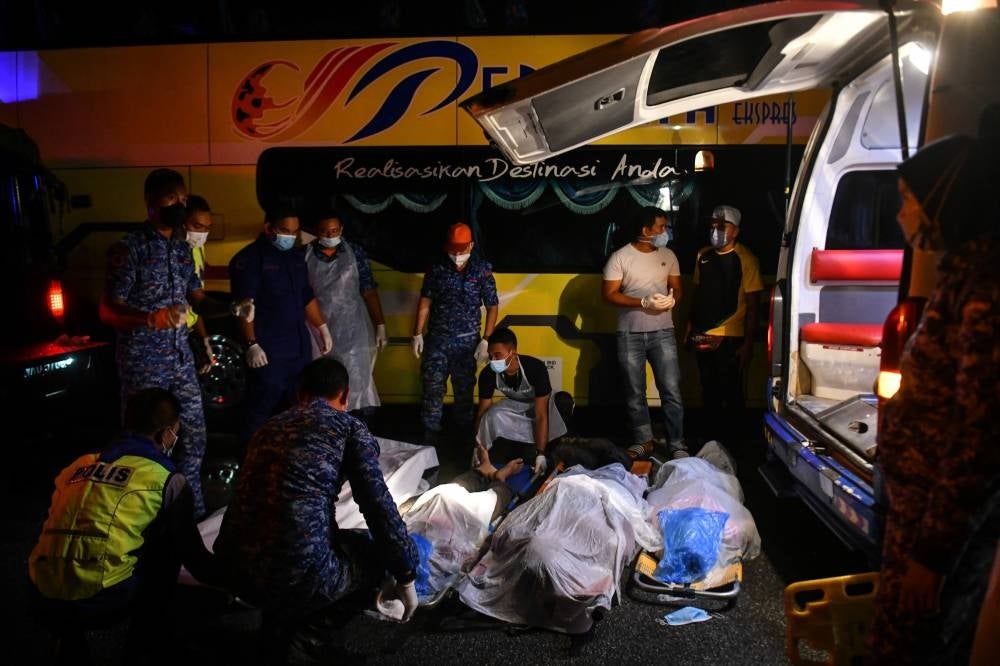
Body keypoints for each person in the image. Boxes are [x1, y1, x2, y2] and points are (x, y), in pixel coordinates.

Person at [868, 134, 1000, 665]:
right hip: (915, 509)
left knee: (914, 645)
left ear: (944, 200)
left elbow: (978, 436)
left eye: (907, 198)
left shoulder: (984, 288)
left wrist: (931, 554)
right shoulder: (960, 272)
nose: (901, 213)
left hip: (936, 527)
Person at [214, 357, 418, 662]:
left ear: (300, 394)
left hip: (232, 565)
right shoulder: (348, 428)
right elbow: (377, 505)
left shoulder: (268, 428)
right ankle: (307, 638)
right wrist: (405, 572)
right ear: (345, 395)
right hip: (295, 571)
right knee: (371, 555)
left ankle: (274, 627)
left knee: (301, 545)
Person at [100, 169, 254, 518]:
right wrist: (148, 319)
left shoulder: (182, 251)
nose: (179, 206)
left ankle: (192, 514)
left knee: (194, 439)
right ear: (151, 202)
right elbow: (108, 310)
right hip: (143, 363)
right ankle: (142, 517)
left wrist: (232, 306)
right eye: (172, 199)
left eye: (183, 200)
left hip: (179, 360)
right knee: (143, 445)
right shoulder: (129, 249)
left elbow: (198, 299)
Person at [28, 388, 222, 661]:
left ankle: (69, 641)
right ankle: (147, 641)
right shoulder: (164, 478)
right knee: (167, 545)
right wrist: (239, 580)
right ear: (166, 434)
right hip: (99, 599)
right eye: (175, 432)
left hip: (40, 591)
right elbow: (194, 558)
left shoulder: (77, 465)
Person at [228, 208, 333, 446]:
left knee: (297, 408)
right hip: (269, 350)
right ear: (269, 228)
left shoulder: (295, 258)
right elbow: (244, 306)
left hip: (297, 348)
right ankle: (250, 459)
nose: (290, 237)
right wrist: (252, 344)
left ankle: (287, 460)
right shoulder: (251, 259)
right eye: (285, 231)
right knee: (260, 408)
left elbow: (306, 296)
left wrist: (321, 327)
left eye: (295, 232)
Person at [602, 206, 687, 459]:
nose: (665, 232)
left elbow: (677, 288)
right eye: (661, 227)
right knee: (634, 390)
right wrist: (642, 303)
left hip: (663, 332)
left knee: (670, 389)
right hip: (630, 334)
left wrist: (673, 300)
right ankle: (644, 441)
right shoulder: (620, 257)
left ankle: (677, 443)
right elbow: (609, 294)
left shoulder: (669, 255)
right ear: (645, 230)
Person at [412, 222, 499, 442]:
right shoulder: (436, 268)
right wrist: (417, 333)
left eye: (461, 250)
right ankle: (429, 433)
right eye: (453, 250)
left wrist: (486, 340)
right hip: (437, 341)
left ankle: (462, 435)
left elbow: (492, 306)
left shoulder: (482, 270)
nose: (457, 254)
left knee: (464, 390)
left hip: (467, 343)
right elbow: (426, 300)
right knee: (432, 386)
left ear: (471, 245)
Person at [686, 205, 763, 444]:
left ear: (736, 231)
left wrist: (748, 344)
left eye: (721, 227)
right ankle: (711, 444)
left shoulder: (746, 259)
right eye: (712, 226)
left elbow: (753, 305)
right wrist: (690, 326)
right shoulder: (703, 255)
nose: (715, 231)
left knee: (731, 393)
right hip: (702, 335)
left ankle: (735, 444)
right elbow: (697, 293)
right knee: (707, 391)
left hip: (730, 337)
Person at [305, 210, 388, 413]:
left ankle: (358, 428)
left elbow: (368, 290)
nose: (330, 236)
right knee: (321, 380)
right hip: (318, 328)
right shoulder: (304, 255)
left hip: (352, 327)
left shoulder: (355, 253)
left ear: (341, 229)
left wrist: (380, 325)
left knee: (356, 378)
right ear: (317, 232)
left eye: (334, 231)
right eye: (325, 232)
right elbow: (302, 296)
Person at [474, 326, 567, 475]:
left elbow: (541, 415)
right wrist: (477, 446)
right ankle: (494, 455)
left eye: (498, 355)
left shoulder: (535, 368)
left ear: (513, 353)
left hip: (540, 406)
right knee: (491, 414)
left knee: (563, 402)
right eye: (490, 356)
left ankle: (551, 452)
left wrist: (541, 453)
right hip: (515, 406)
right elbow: (482, 412)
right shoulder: (488, 374)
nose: (493, 360)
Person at [182, 195, 216, 374]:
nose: (202, 234)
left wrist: (204, 341)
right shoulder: (171, 253)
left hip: (186, 334)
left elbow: (196, 302)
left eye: (207, 228)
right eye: (197, 227)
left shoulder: (197, 248)